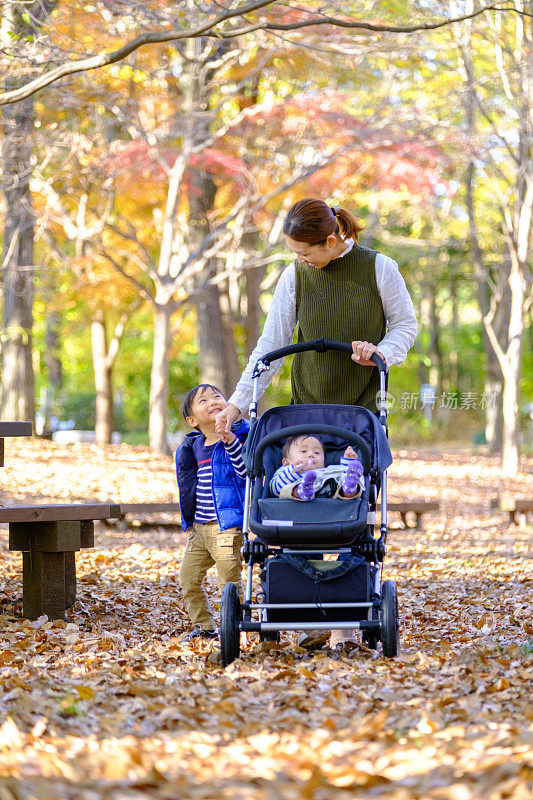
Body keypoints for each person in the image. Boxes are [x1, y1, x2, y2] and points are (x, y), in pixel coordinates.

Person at [215, 197, 417, 434]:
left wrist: (381, 353)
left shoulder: (379, 268)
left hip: (362, 413)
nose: (300, 260)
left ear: (330, 242)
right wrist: (236, 404)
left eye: (304, 253)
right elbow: (271, 345)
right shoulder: (294, 275)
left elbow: (405, 326)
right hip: (305, 411)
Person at [176, 384, 249, 640]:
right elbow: (188, 485)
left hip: (226, 526)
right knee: (188, 578)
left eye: (217, 396)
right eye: (203, 400)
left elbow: (246, 474)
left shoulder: (237, 438)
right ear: (192, 420)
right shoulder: (193, 448)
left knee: (228, 580)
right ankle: (204, 625)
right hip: (199, 527)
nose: (213, 401)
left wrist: (230, 442)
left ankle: (234, 626)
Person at [270, 434, 364, 501]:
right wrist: (293, 470)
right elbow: (275, 489)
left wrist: (348, 463)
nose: (311, 454)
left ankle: (349, 489)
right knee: (285, 490)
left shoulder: (326, 471)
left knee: (340, 477)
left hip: (331, 499)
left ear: (324, 462)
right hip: (296, 501)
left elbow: (339, 473)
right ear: (286, 462)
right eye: (303, 451)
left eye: (317, 453)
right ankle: (301, 491)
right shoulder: (285, 470)